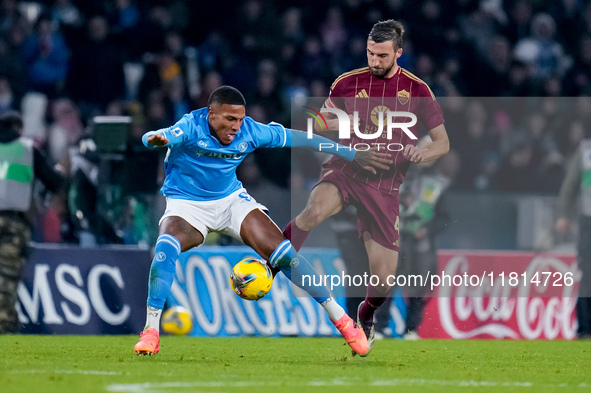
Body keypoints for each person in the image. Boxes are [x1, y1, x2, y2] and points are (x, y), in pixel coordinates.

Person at [133, 85, 391, 355]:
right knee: (164, 248)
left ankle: (343, 321)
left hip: (230, 202)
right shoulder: (191, 126)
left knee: (285, 256)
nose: (236, 126)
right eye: (230, 119)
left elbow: (305, 139)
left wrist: (351, 154)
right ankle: (151, 330)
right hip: (186, 204)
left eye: (240, 119)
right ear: (211, 114)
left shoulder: (250, 131)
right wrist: (155, 138)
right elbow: (159, 136)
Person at [282, 20, 450, 356]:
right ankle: (270, 264)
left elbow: (442, 143)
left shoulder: (418, 90)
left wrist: (422, 152)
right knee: (313, 210)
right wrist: (322, 120)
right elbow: (323, 121)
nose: (374, 60)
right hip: (346, 169)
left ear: (398, 53)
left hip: (385, 189)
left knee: (384, 280)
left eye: (382, 55)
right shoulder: (347, 83)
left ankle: (366, 315)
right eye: (371, 53)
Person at [0, 111, 65, 333]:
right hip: (13, 222)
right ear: (18, 128)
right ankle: (4, 323)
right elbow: (55, 181)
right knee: (7, 276)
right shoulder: (27, 149)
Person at [398, 137, 450, 339]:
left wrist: (427, 230)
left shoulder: (438, 183)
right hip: (396, 240)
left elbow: (445, 219)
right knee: (385, 283)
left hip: (422, 244)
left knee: (420, 287)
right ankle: (382, 326)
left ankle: (411, 329)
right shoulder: (398, 174)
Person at [555, 138, 591, 339]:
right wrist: (563, 214)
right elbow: (570, 185)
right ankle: (585, 329)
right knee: (588, 276)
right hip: (589, 223)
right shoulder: (586, 151)